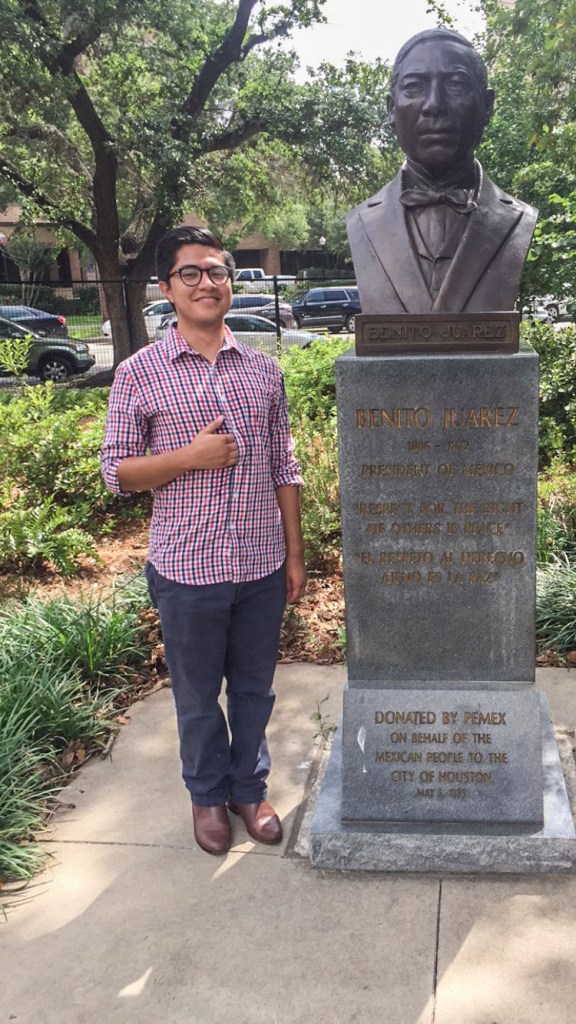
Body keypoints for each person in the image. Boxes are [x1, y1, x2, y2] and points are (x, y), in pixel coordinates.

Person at [101, 226, 307, 855]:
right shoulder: (139, 373)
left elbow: (284, 466)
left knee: (253, 692)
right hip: (187, 571)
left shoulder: (264, 371)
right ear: (166, 288)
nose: (206, 283)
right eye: (189, 273)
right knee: (196, 698)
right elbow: (117, 473)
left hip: (260, 565)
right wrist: (189, 457)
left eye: (217, 271)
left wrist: (295, 555)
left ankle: (249, 789)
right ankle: (207, 795)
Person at [346, 28, 538, 314]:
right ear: (391, 108)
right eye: (414, 86)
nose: (434, 105)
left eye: (456, 84)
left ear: (487, 106)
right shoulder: (361, 222)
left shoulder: (518, 219)